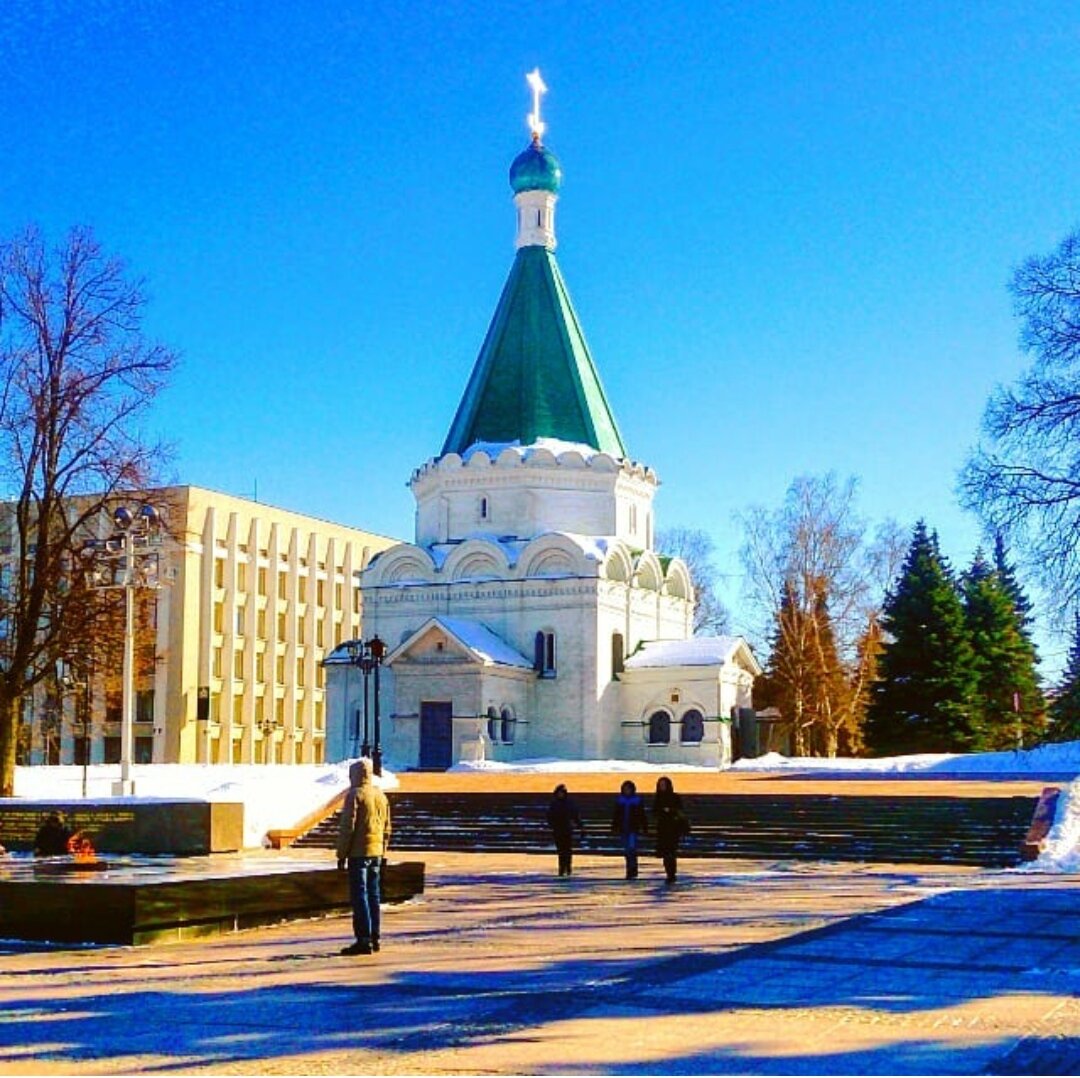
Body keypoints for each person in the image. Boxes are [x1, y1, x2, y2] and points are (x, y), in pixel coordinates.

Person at [335, 758, 391, 956]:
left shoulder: (355, 795)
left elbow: (347, 828)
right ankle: (375, 937)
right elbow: (387, 827)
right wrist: (382, 850)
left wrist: (342, 854)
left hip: (358, 853)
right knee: (373, 895)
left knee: (360, 896)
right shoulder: (380, 795)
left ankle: (363, 939)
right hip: (376, 852)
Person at [653, 775, 690, 884]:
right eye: (660, 785)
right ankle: (669, 873)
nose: (662, 787)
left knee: (671, 852)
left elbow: (680, 811)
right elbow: (654, 812)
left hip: (673, 828)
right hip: (662, 829)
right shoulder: (658, 798)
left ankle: (671, 874)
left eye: (664, 785)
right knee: (665, 853)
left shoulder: (675, 797)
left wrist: (670, 811)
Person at [610, 779, 648, 879]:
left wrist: (644, 827)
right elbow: (616, 815)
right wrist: (614, 827)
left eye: (628, 789)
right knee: (627, 850)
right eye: (625, 789)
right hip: (624, 828)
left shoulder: (637, 801)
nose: (627, 791)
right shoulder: (620, 801)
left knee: (632, 849)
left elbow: (642, 815)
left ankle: (633, 869)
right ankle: (630, 869)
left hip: (633, 829)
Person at [546, 783, 584, 876]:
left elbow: (575, 816)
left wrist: (581, 827)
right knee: (561, 850)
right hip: (558, 830)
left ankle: (568, 867)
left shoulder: (569, 804)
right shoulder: (554, 804)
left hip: (567, 830)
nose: (560, 794)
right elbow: (549, 816)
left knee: (567, 850)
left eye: (561, 793)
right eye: (559, 793)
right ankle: (562, 868)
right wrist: (552, 825)